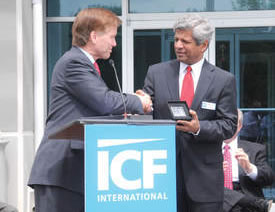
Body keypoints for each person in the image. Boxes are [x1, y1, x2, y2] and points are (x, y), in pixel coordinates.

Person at [28, 8, 151, 212]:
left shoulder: (85, 64)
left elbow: (98, 109)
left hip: (74, 174)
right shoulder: (73, 63)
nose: (115, 43)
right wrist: (139, 101)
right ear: (94, 36)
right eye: (112, 37)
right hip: (61, 171)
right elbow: (104, 101)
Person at [140, 14, 238, 212]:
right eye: (176, 39)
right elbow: (146, 113)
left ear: (204, 45)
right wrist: (139, 104)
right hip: (161, 176)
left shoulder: (223, 80)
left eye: (185, 41)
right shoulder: (156, 73)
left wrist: (199, 128)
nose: (178, 45)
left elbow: (229, 125)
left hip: (204, 181)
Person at [223, 109, 274, 212]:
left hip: (245, 197)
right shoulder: (208, 150)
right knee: (216, 188)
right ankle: (262, 205)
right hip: (217, 197)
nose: (228, 127)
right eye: (225, 122)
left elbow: (269, 179)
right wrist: (214, 172)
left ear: (240, 126)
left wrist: (249, 168)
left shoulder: (255, 149)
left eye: (233, 122)